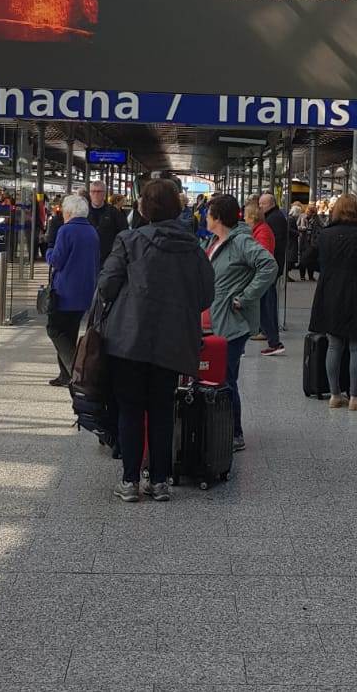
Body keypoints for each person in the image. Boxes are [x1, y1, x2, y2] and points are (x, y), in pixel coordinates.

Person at [99, 180, 214, 502]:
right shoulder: (192, 247)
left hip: (128, 338)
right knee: (163, 410)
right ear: (177, 208)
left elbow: (107, 286)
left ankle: (130, 481)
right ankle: (160, 481)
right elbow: (206, 295)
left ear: (144, 208)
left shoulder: (129, 240)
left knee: (130, 409)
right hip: (173, 340)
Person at [205, 193, 278, 451]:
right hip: (214, 321)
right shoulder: (215, 241)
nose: (205, 216)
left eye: (208, 212)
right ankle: (218, 427)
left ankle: (235, 432)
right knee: (218, 376)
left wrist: (245, 298)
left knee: (226, 378)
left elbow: (269, 265)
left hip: (232, 322)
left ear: (218, 217)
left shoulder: (241, 242)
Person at [309, 192, 357, 411]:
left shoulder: (325, 234)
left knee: (334, 344)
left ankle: (334, 395)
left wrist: (326, 269)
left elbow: (306, 259)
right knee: (356, 345)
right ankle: (354, 397)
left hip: (329, 293)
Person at [45, 193, 100, 388]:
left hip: (65, 290)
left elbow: (56, 260)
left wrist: (48, 251)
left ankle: (74, 370)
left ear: (69, 212)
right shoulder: (91, 231)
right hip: (85, 290)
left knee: (55, 329)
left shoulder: (66, 230)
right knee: (70, 331)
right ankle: (64, 375)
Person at [257, 191, 287, 357]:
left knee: (268, 303)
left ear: (270, 204)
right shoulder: (274, 218)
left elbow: (269, 246)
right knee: (266, 302)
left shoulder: (273, 220)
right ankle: (269, 335)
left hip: (270, 268)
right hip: (272, 267)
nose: (260, 207)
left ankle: (272, 338)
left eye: (262, 204)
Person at [87, 179, 128, 264]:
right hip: (87, 258)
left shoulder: (114, 213)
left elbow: (124, 233)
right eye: (93, 191)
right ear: (89, 193)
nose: (96, 194)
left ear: (104, 194)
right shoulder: (83, 211)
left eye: (99, 192)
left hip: (108, 259)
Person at [297, 203, 321, 281]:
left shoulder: (317, 219)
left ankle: (310, 276)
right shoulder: (302, 216)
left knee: (311, 259)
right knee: (302, 259)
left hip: (312, 242)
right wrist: (301, 228)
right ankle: (302, 276)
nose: (308, 213)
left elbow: (321, 227)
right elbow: (297, 225)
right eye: (308, 211)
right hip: (303, 240)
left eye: (310, 212)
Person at [286, 202, 302, 280]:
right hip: (291, 242)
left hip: (291, 241)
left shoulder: (290, 218)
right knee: (291, 258)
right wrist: (297, 233)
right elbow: (290, 229)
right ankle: (286, 275)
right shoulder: (291, 219)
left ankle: (287, 275)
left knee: (291, 258)